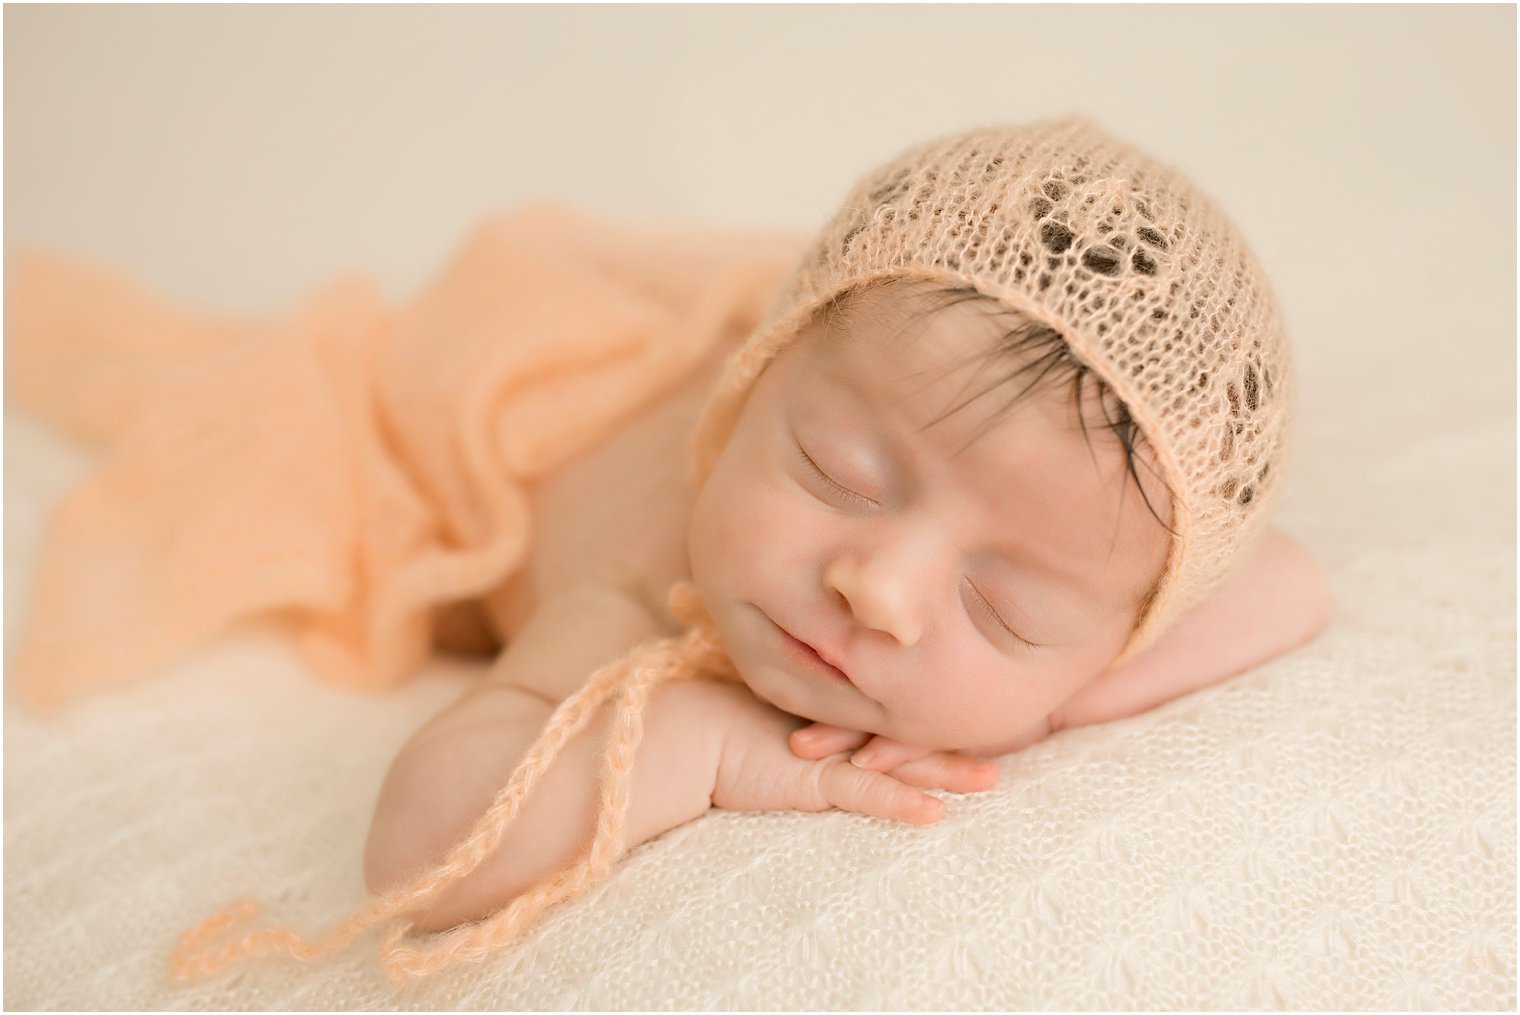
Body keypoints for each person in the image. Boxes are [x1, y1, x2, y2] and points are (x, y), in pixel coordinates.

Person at [355, 116, 1333, 945]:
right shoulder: (637, 584)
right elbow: (423, 847)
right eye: (835, 472)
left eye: (1005, 609)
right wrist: (707, 742)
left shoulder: (1096, 549)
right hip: (515, 420)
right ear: (749, 390)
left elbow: (1288, 582)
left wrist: (1050, 697)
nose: (877, 588)